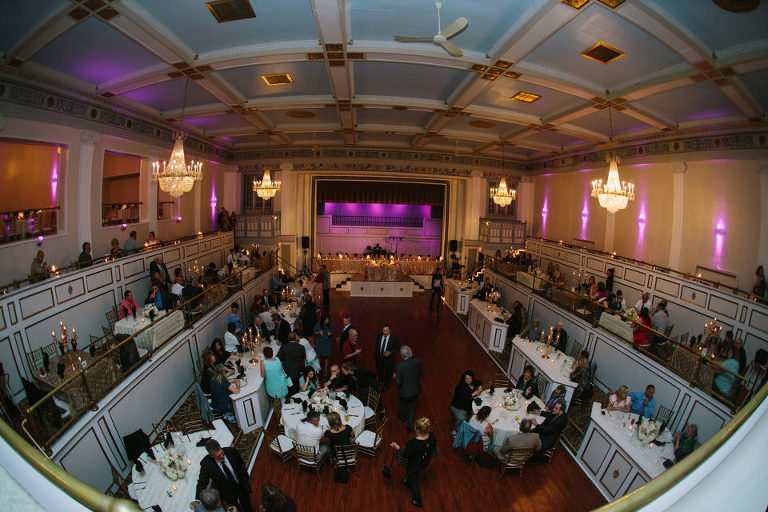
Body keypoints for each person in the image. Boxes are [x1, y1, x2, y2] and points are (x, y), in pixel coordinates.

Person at [390, 417, 437, 508]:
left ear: (418, 430)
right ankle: (408, 482)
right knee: (413, 475)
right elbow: (433, 448)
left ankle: (418, 501)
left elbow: (405, 455)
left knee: (414, 481)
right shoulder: (432, 436)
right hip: (425, 461)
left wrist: (397, 447)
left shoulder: (412, 444)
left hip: (414, 466)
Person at [195, 438, 253, 512]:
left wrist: (246, 483)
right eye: (218, 456)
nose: (222, 457)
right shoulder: (206, 464)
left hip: (241, 486)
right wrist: (198, 499)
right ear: (211, 455)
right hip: (227, 493)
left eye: (222, 453)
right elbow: (202, 482)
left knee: (247, 506)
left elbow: (242, 467)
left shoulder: (231, 451)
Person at [395, 345, 424, 431]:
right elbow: (422, 373)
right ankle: (410, 426)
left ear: (403, 355)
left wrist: (395, 377)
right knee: (412, 407)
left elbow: (398, 382)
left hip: (404, 392)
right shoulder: (418, 362)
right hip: (415, 390)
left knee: (402, 405)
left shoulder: (400, 366)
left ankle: (403, 417)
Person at [450, 370, 483, 435]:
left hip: (469, 404)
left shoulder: (473, 382)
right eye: (466, 378)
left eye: (470, 378)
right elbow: (467, 398)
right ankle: (455, 429)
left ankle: (474, 427)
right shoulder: (461, 387)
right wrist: (476, 392)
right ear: (464, 379)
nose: (469, 380)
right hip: (459, 406)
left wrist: (480, 386)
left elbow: (479, 382)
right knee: (461, 418)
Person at [375, 324, 399, 391]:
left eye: (386, 330)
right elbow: (377, 347)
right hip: (380, 359)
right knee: (380, 371)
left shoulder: (394, 338)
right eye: (383, 330)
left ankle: (387, 385)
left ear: (389, 330)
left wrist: (390, 353)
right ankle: (381, 381)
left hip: (389, 360)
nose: (385, 332)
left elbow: (397, 348)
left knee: (388, 374)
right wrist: (376, 357)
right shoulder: (379, 336)